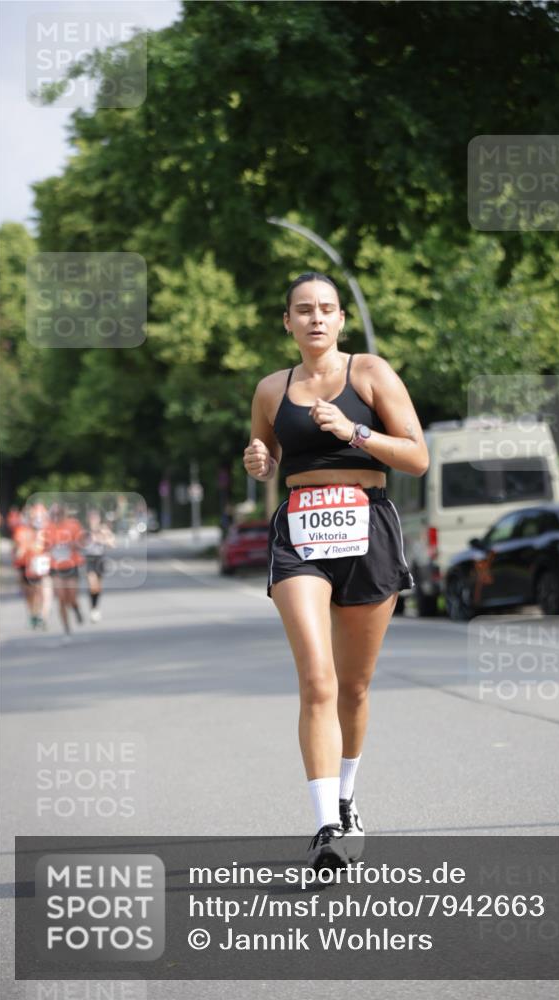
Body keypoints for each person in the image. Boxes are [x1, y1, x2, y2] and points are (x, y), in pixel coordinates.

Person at [243, 272, 429, 873]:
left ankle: (347, 801)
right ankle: (325, 825)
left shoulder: (370, 373)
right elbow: (269, 457)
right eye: (304, 310)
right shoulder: (271, 388)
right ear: (288, 322)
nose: (315, 318)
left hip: (367, 526)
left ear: (341, 319)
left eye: (326, 309)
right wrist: (259, 460)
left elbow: (418, 457)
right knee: (317, 680)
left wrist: (355, 431)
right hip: (300, 530)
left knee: (353, 686)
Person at [45, 503, 85, 641]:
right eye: (53, 514)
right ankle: (66, 629)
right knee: (61, 598)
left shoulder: (73, 525)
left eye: (58, 514)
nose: (56, 517)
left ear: (63, 514)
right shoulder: (48, 527)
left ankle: (75, 608)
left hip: (72, 565)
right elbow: (42, 546)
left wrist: (74, 544)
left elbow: (83, 542)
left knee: (71, 597)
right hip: (55, 567)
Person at [81, 509, 115, 622]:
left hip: (100, 559)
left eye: (95, 518)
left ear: (99, 519)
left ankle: (95, 608)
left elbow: (113, 544)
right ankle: (93, 609)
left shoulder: (103, 530)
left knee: (98, 587)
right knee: (92, 585)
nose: (93, 521)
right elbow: (79, 544)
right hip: (89, 559)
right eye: (91, 518)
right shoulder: (85, 532)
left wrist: (101, 540)